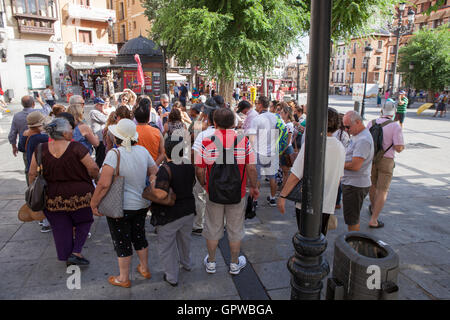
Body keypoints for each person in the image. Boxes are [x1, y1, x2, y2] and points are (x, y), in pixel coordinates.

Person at [90, 119, 158, 288]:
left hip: (120, 207)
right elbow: (155, 171)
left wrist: (94, 202)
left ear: (117, 137)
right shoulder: (143, 151)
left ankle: (123, 278)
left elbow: (104, 183)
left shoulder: (115, 154)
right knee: (139, 236)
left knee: (122, 241)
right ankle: (144, 268)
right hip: (141, 204)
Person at [195, 108, 259, 275]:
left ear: (214, 123)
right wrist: (254, 186)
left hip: (213, 192)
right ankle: (234, 263)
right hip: (237, 193)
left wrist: (203, 184)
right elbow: (251, 168)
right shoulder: (243, 141)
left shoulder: (207, 141)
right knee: (235, 229)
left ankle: (211, 262)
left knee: (212, 228)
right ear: (233, 123)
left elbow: (200, 170)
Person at [28, 118, 99, 265]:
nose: (72, 131)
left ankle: (66, 255)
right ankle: (76, 252)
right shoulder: (76, 147)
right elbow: (92, 168)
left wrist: (33, 188)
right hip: (80, 194)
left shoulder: (41, 148)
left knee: (60, 226)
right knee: (84, 221)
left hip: (52, 196)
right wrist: (96, 178)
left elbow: (32, 173)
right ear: (64, 132)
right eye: (70, 129)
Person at [277, 108, 345, 235]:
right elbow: (339, 178)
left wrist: (282, 196)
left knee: (305, 237)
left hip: (307, 203)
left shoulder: (312, 144)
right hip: (327, 203)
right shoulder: (340, 147)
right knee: (319, 237)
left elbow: (296, 175)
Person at [144, 136, 196, 286]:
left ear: (166, 151)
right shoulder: (188, 165)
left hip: (169, 214)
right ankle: (186, 264)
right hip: (188, 210)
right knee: (185, 240)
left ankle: (172, 277)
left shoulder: (165, 169)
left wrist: (153, 180)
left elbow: (159, 194)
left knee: (167, 247)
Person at [366, 100, 404, 228]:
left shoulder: (371, 123)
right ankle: (374, 219)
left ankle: (372, 206)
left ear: (381, 110)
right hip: (386, 160)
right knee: (383, 190)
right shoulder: (395, 126)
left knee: (372, 186)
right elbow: (398, 147)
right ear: (393, 112)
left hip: (371, 159)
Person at [341, 111, 374, 231]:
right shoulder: (358, 136)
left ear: (358, 122)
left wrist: (338, 163)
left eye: (348, 126)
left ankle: (352, 244)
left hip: (355, 185)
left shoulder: (363, 140)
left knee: (352, 219)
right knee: (351, 217)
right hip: (352, 183)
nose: (346, 129)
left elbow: (355, 166)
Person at [191, 100, 218, 236]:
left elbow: (196, 158)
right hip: (220, 172)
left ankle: (199, 225)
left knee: (200, 197)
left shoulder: (202, 134)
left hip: (204, 170)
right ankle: (218, 223)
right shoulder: (228, 135)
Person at [22, 111, 51, 232]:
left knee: (40, 196)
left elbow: (20, 147)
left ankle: (43, 220)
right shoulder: (41, 138)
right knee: (44, 196)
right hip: (40, 170)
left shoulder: (26, 134)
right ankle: (46, 221)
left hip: (31, 167)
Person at [249, 96, 279, 207]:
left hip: (258, 151)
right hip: (272, 151)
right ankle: (272, 198)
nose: (256, 105)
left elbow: (251, 138)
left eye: (257, 103)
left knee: (257, 177)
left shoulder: (257, 119)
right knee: (272, 176)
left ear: (260, 105)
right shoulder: (275, 117)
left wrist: (250, 151)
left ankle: (255, 200)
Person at [8, 95, 39, 184]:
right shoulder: (39, 113)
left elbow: (12, 133)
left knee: (28, 168)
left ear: (22, 104)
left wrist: (14, 146)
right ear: (33, 103)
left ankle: (31, 189)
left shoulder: (17, 116)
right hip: (40, 145)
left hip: (26, 146)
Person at [134, 98, 165, 166]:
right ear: (148, 119)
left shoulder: (131, 132)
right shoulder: (157, 132)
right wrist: (154, 166)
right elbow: (163, 153)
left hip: (136, 168)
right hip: (153, 167)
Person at [332, 113, 350, 209]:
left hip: (337, 159)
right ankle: (337, 201)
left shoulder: (340, 134)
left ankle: (337, 201)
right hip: (340, 159)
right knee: (338, 180)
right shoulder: (344, 134)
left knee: (337, 182)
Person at [279, 103, 295, 188]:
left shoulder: (289, 125)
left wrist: (281, 152)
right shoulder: (286, 124)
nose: (280, 114)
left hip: (286, 150)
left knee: (286, 172)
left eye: (282, 113)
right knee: (285, 171)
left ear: (287, 114)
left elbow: (287, 141)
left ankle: (285, 190)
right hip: (285, 149)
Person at [89, 97, 108, 167]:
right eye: (101, 105)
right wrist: (104, 111)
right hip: (98, 138)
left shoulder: (99, 112)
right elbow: (105, 119)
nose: (102, 107)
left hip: (102, 137)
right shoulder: (93, 112)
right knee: (100, 157)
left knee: (102, 156)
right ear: (96, 105)